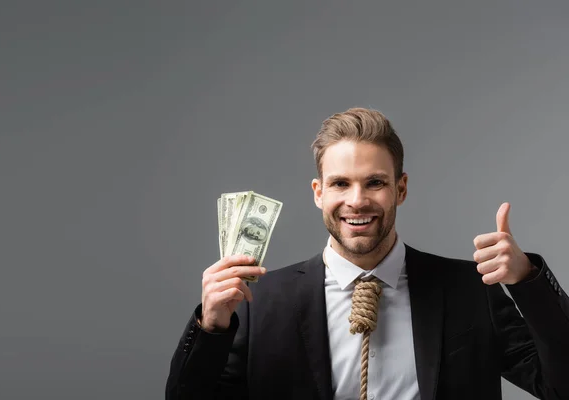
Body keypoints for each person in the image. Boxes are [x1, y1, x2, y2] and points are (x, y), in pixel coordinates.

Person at [166, 108, 569, 400]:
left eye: (375, 182)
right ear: (319, 193)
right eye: (340, 184)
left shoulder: (471, 291)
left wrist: (528, 280)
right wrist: (212, 327)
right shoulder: (261, 300)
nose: (357, 201)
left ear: (401, 189)